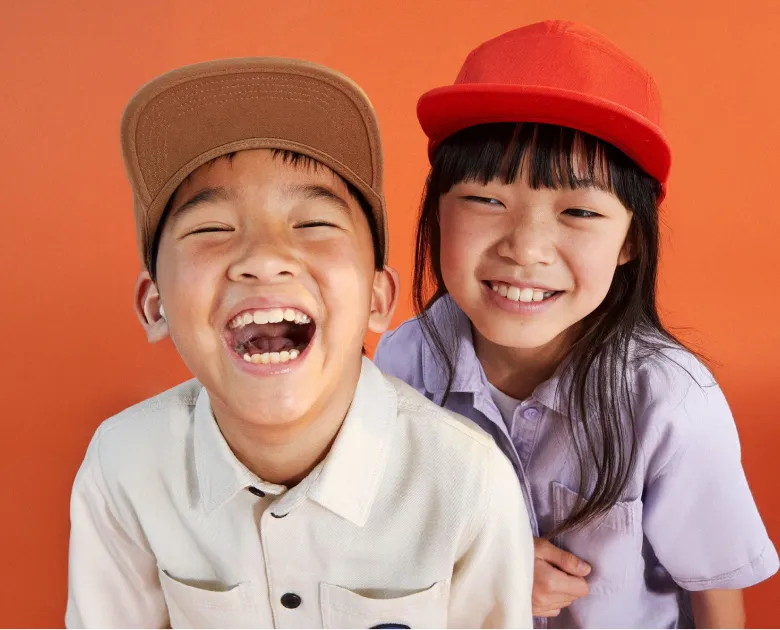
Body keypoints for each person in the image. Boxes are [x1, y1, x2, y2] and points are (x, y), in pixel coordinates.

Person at [66, 58, 533, 628]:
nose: (264, 258)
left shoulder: (468, 483)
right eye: (211, 228)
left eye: (314, 223)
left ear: (378, 299)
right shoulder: (124, 465)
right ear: (154, 303)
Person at [376, 21, 778, 628]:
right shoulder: (401, 363)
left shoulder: (670, 401)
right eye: (486, 199)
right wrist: (487, 564)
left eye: (580, 212)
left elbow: (717, 596)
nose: (526, 248)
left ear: (630, 242)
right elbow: (383, 535)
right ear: (436, 213)